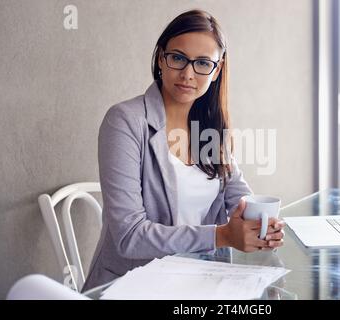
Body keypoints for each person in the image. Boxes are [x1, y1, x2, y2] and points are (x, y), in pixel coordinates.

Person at [82, 9, 285, 292]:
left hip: (197, 280)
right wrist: (221, 236)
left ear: (217, 70)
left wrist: (261, 224)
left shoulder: (211, 127)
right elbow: (129, 236)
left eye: (203, 63)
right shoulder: (125, 121)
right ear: (161, 58)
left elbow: (237, 195)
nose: (188, 74)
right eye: (178, 58)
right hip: (132, 286)